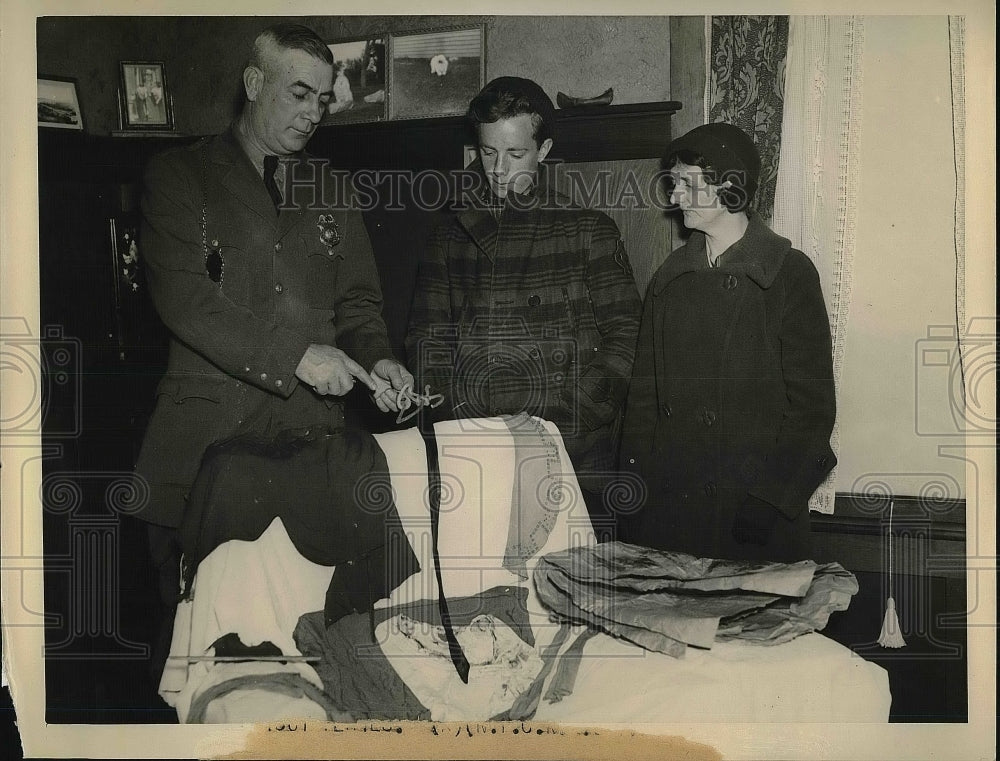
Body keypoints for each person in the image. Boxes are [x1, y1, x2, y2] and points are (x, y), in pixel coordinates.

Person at [135, 24, 414, 603]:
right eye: (298, 93)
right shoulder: (179, 177)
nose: (314, 113)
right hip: (202, 453)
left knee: (311, 635)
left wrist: (379, 359)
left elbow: (358, 304)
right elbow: (187, 301)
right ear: (255, 82)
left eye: (322, 98)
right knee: (197, 652)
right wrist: (298, 358)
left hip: (310, 456)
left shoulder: (333, 189)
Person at [405, 76, 642, 538]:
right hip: (476, 454)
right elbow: (425, 338)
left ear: (544, 149)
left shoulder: (587, 230)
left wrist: (563, 415)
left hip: (570, 458)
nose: (497, 169)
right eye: (488, 152)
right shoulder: (450, 234)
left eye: (515, 154)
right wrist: (456, 417)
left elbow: (629, 339)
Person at [619, 122, 837, 563]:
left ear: (730, 187)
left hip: (756, 516)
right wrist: (632, 496)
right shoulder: (669, 278)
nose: (675, 196)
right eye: (673, 182)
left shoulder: (788, 275)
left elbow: (812, 409)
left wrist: (770, 500)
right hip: (672, 517)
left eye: (687, 183)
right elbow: (643, 403)